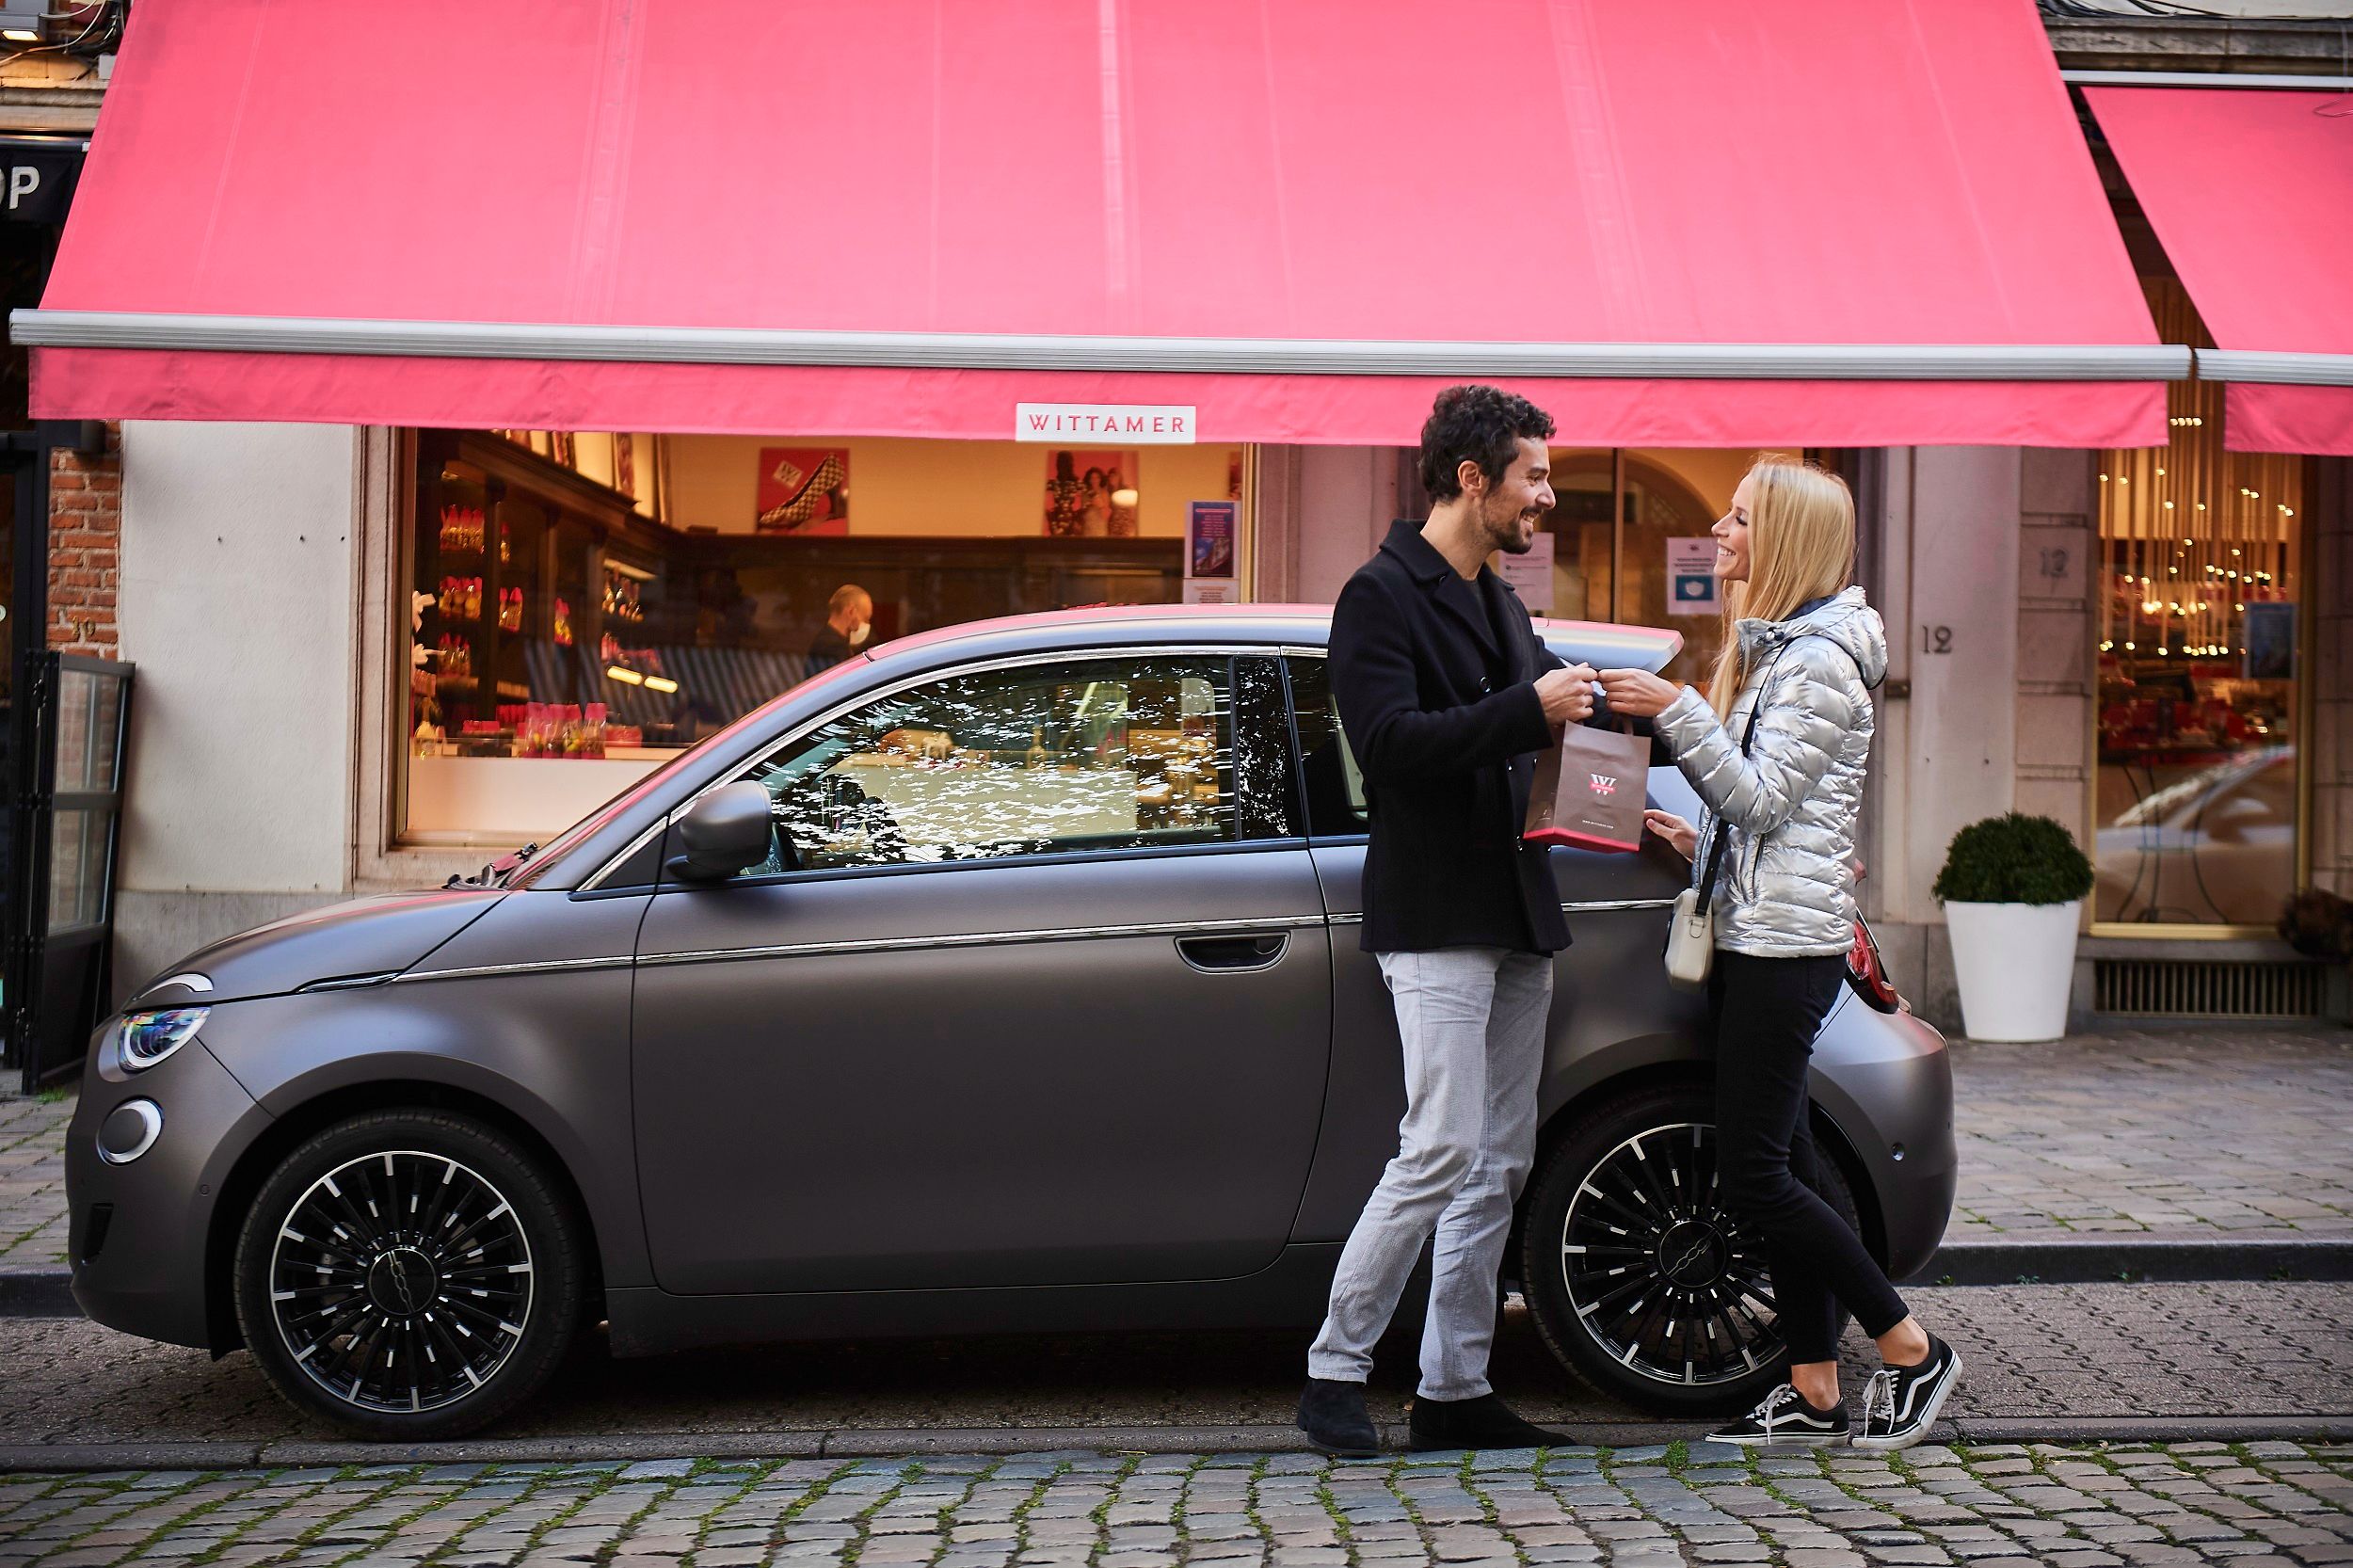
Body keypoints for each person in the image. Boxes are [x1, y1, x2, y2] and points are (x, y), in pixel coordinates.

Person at [1595, 456, 1961, 1452]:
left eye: (1740, 518)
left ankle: (1911, 1348)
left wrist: (1675, 710)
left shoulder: (1818, 661)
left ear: (1785, 539)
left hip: (1784, 948)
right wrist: (1697, 842)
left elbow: (1760, 798)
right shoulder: (1789, 651)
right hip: (1762, 929)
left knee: (1756, 1176)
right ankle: (1811, 1390)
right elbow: (1769, 815)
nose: (1719, 531)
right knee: (1786, 1162)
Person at [1297, 385, 1600, 1457]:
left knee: (1498, 1160)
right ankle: (1333, 1372)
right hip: (1434, 913)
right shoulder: (1379, 594)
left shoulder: (1501, 601)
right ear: (1473, 480)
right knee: (1439, 1146)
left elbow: (1550, 728)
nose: (1546, 497)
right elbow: (1387, 746)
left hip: (1515, 909)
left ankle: (1454, 1389)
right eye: (1534, 476)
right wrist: (1527, 709)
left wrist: (1654, 759)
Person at [806, 584, 872, 673]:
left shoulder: (825, 641)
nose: (867, 624)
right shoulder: (832, 648)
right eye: (865, 618)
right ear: (851, 611)